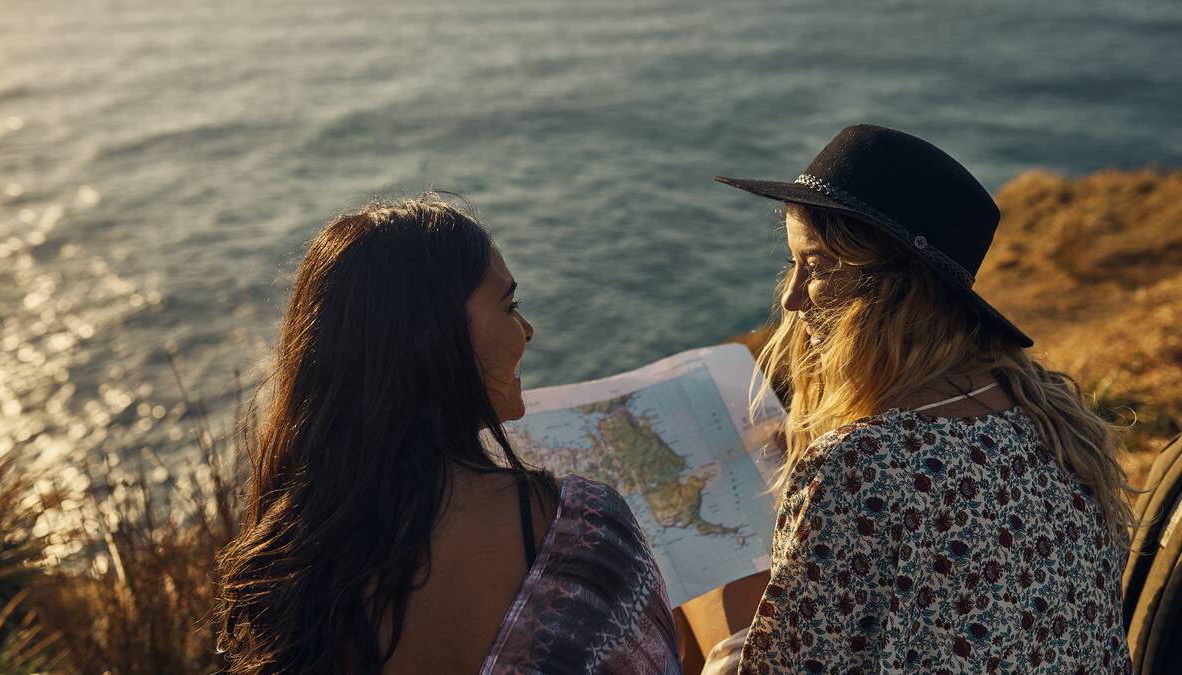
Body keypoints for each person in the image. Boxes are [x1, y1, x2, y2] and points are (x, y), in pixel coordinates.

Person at [711, 125, 1135, 673]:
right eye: (792, 264)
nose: (791, 298)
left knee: (705, 599)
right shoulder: (1049, 415)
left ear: (897, 291)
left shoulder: (864, 463)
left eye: (815, 266)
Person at [214, 194, 681, 674]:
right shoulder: (578, 534)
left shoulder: (288, 561)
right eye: (509, 305)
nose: (528, 329)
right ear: (434, 339)